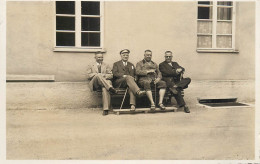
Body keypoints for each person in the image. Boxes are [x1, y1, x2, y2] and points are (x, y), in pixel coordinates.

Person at [86, 51, 118, 116]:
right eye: (99, 57)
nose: (100, 58)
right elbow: (88, 75)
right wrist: (98, 75)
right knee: (98, 76)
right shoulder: (90, 65)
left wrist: (102, 76)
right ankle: (110, 88)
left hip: (104, 83)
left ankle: (105, 109)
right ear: (95, 57)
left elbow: (111, 75)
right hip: (95, 83)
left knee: (104, 88)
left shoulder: (106, 65)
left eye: (101, 57)